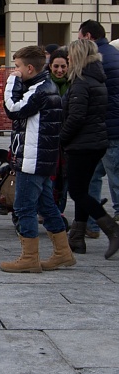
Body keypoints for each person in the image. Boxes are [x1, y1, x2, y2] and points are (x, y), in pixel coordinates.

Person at [0, 45, 74, 273]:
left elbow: (13, 109)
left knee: (23, 206)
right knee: (46, 204)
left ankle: (29, 257)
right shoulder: (45, 87)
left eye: (18, 66)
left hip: (33, 158)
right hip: (42, 157)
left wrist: (12, 82)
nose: (16, 70)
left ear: (29, 68)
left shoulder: (40, 90)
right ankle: (63, 253)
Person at [61, 39, 119, 259]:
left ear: (78, 56)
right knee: (83, 189)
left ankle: (112, 229)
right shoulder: (97, 79)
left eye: (70, 56)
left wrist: (62, 139)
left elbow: (76, 117)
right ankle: (77, 237)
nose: (67, 59)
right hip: (95, 141)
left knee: (77, 191)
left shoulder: (82, 82)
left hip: (82, 143)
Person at [79, 20, 119, 222]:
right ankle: (92, 226)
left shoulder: (97, 59)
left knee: (109, 177)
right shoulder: (113, 54)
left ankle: (96, 226)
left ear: (87, 37)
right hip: (109, 126)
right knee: (101, 175)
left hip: (106, 127)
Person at [49, 48, 71, 214]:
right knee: (50, 175)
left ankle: (59, 209)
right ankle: (47, 207)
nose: (60, 70)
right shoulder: (45, 84)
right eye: (56, 66)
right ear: (50, 66)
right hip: (48, 137)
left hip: (66, 138)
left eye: (63, 66)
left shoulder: (72, 84)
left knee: (64, 176)